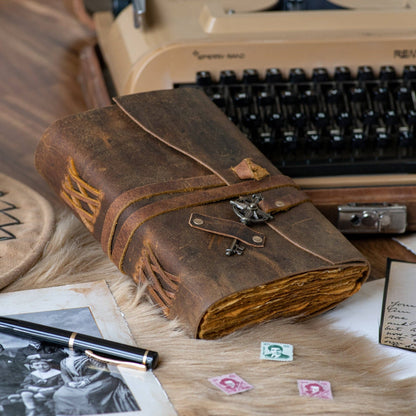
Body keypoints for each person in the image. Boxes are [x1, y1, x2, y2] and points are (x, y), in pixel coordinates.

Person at [53, 348, 139, 415]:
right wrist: (70, 383)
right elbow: (65, 375)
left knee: (86, 395)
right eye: (69, 349)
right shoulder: (64, 362)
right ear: (64, 350)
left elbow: (103, 370)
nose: (73, 350)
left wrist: (87, 381)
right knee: (59, 394)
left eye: (75, 348)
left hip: (100, 380)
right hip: (77, 383)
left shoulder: (90, 358)